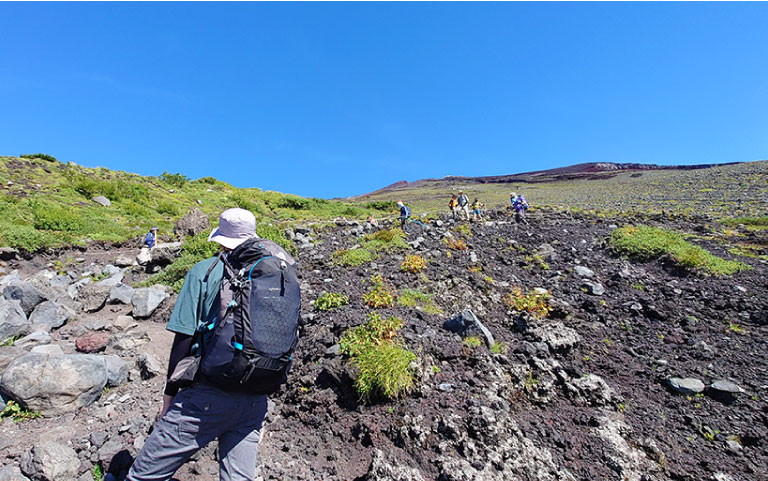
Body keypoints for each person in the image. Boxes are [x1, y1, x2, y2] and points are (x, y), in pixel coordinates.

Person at [126, 208, 289, 481]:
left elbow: (183, 339)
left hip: (206, 396)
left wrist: (170, 396)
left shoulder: (204, 271)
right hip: (255, 397)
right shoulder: (271, 277)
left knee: (143, 476)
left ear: (221, 239)